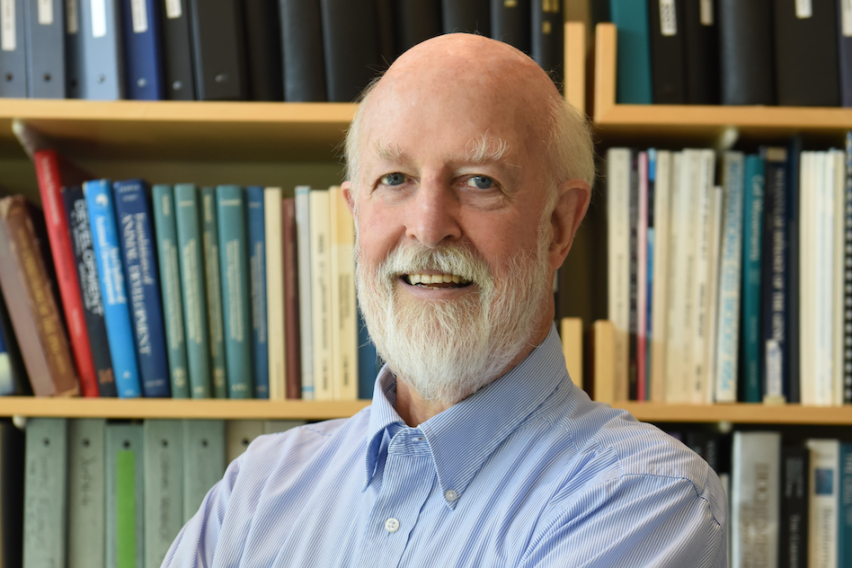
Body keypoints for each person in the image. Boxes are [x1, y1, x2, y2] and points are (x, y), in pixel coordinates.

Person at [162, 33, 727, 567]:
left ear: (558, 225)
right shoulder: (257, 488)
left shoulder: (644, 496)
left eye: (479, 181)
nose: (429, 228)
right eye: (395, 179)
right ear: (356, 213)